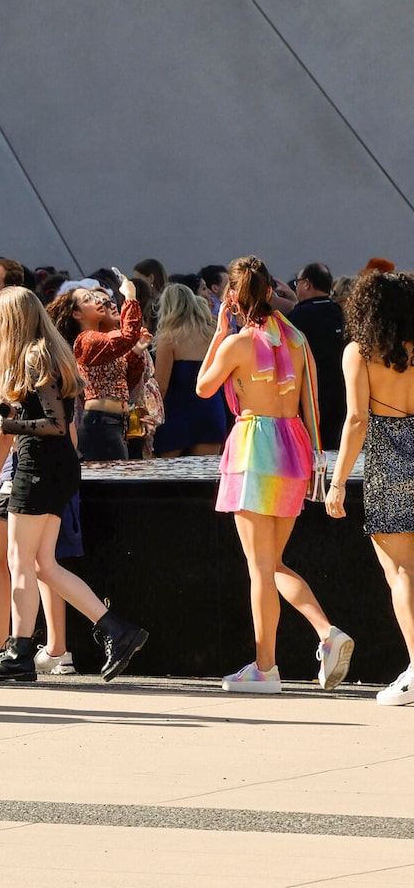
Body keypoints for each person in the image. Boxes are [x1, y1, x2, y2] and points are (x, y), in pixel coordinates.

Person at [0, 286, 149, 684]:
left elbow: (51, 423)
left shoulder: (34, 354)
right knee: (42, 564)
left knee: (22, 563)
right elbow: (55, 416)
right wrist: (12, 412)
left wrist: (6, 423)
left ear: (12, 319)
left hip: (38, 468)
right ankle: (117, 631)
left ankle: (19, 651)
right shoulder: (48, 351)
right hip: (55, 467)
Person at [198, 258, 353, 692]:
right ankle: (326, 632)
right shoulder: (298, 338)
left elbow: (203, 387)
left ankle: (266, 668)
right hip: (294, 448)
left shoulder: (237, 344)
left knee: (259, 569)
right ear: (269, 291)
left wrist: (218, 334)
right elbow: (312, 404)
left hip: (253, 447)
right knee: (273, 563)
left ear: (233, 297)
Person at [325, 267, 414, 705]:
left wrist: (338, 482)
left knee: (400, 572)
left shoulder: (359, 353)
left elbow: (357, 420)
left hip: (391, 458)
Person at [65, 278, 151, 462]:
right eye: (88, 299)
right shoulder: (86, 340)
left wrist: (135, 352)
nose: (98, 301)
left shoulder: (104, 340)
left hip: (116, 422)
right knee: (110, 486)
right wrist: (130, 296)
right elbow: (128, 335)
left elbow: (127, 383)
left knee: (115, 483)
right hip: (100, 423)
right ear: (77, 314)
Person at [155, 283, 229, 457]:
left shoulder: (169, 338)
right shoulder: (213, 333)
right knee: (206, 478)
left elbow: (161, 386)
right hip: (210, 409)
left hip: (176, 414)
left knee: (168, 478)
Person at [286, 264, 350, 442]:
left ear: (306, 284)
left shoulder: (298, 316)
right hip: (342, 394)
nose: (296, 287)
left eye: (297, 283)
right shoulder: (341, 313)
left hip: (311, 396)